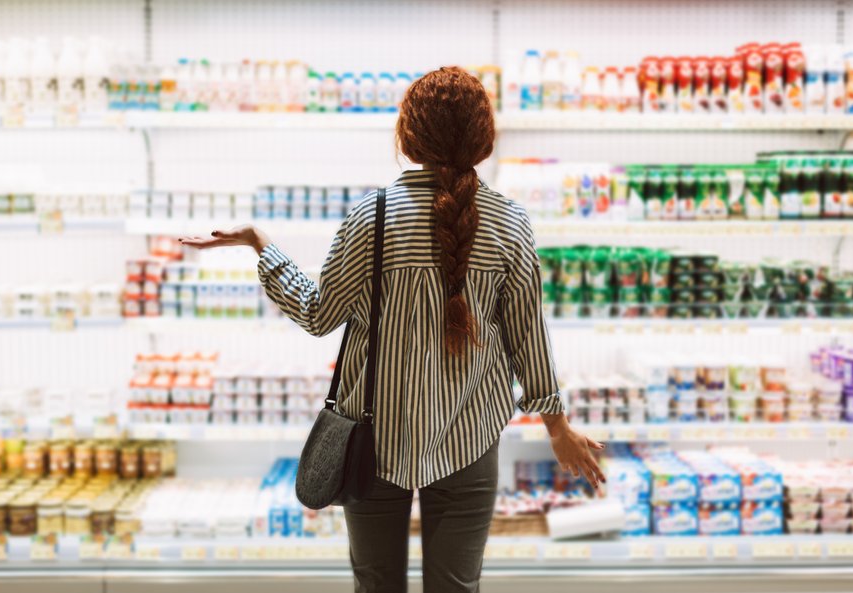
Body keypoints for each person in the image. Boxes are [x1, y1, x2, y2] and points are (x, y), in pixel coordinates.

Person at [180, 66, 605, 593]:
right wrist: (557, 427)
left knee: (376, 584)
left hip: (375, 440)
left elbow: (318, 314)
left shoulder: (370, 216)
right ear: (484, 137)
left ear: (409, 135)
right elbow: (527, 339)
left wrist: (262, 245)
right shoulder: (510, 223)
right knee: (457, 585)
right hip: (470, 438)